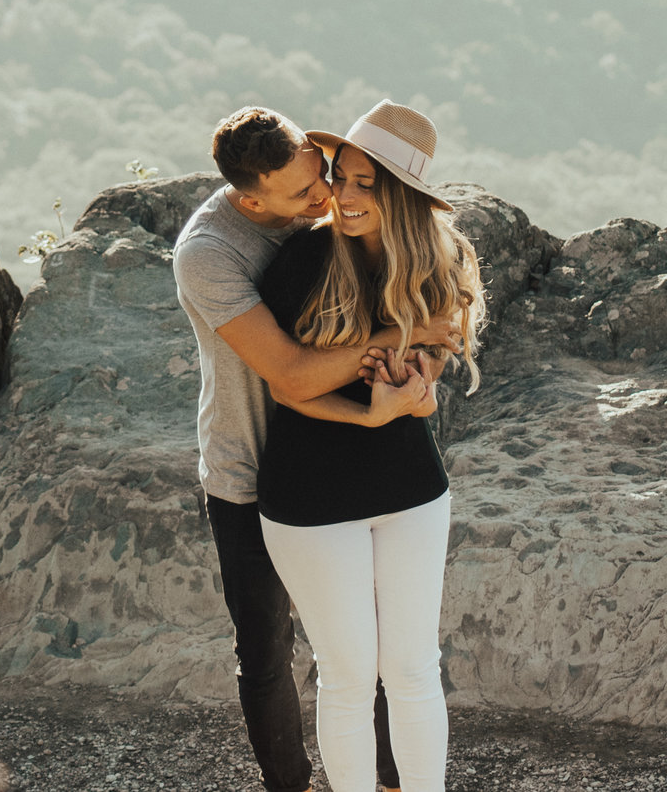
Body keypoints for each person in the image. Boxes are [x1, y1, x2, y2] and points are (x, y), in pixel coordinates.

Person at [175, 108, 458, 792]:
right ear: (253, 200)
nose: (327, 198)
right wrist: (404, 334)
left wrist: (419, 385)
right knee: (273, 647)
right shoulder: (212, 253)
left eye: (326, 176)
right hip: (254, 462)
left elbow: (435, 350)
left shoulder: (368, 229)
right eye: (309, 192)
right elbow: (294, 375)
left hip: (381, 478)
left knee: (400, 659)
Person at [254, 101, 483, 792]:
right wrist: (387, 358)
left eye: (366, 184)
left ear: (404, 197)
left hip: (409, 488)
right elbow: (290, 385)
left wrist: (414, 386)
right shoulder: (302, 262)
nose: (344, 196)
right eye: (343, 177)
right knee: (348, 672)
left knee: (412, 666)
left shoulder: (437, 266)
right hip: (310, 497)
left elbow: (428, 380)